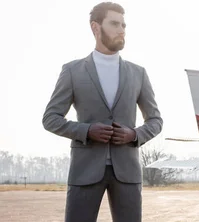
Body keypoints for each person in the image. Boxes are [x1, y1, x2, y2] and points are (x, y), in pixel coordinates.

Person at [42, 2, 163, 221]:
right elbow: (50, 118)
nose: (122, 30)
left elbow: (155, 120)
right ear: (95, 28)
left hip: (127, 172)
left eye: (124, 25)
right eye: (115, 24)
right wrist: (87, 131)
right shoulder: (72, 71)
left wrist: (134, 135)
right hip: (85, 170)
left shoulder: (139, 73)